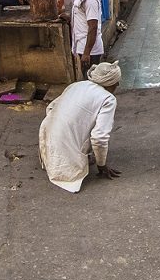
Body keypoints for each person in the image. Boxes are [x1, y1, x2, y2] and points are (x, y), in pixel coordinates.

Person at [38, 61, 122, 192]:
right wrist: (102, 165)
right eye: (117, 81)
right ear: (111, 82)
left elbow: (51, 108)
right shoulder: (108, 99)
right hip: (63, 146)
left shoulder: (76, 85)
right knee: (87, 127)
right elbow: (99, 137)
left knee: (80, 123)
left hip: (47, 137)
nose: (118, 84)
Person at [67, 0, 104, 74]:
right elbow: (83, 18)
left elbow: (93, 27)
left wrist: (86, 53)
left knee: (91, 82)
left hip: (89, 50)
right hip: (82, 46)